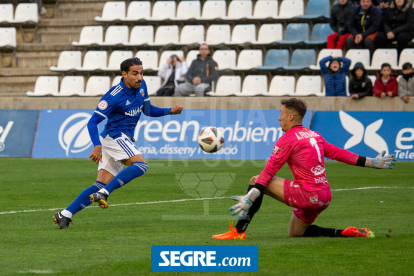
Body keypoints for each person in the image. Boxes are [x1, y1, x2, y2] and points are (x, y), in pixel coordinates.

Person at [212, 98, 396, 240]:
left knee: (255, 180)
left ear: (290, 117)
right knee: (296, 232)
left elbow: (269, 171)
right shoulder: (314, 135)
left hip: (307, 195)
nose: (279, 117)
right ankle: (345, 233)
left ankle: (238, 231)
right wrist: (371, 162)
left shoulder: (287, 139)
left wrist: (251, 195)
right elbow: (339, 153)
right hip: (324, 196)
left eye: (281, 114)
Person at [53, 58, 184, 229]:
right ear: (124, 74)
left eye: (141, 72)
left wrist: (170, 111)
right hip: (114, 136)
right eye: (135, 73)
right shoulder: (114, 96)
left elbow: (147, 110)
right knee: (140, 166)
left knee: (100, 183)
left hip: (119, 138)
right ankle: (104, 194)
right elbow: (92, 122)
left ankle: (64, 214)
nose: (139, 77)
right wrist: (97, 145)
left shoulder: (141, 85)